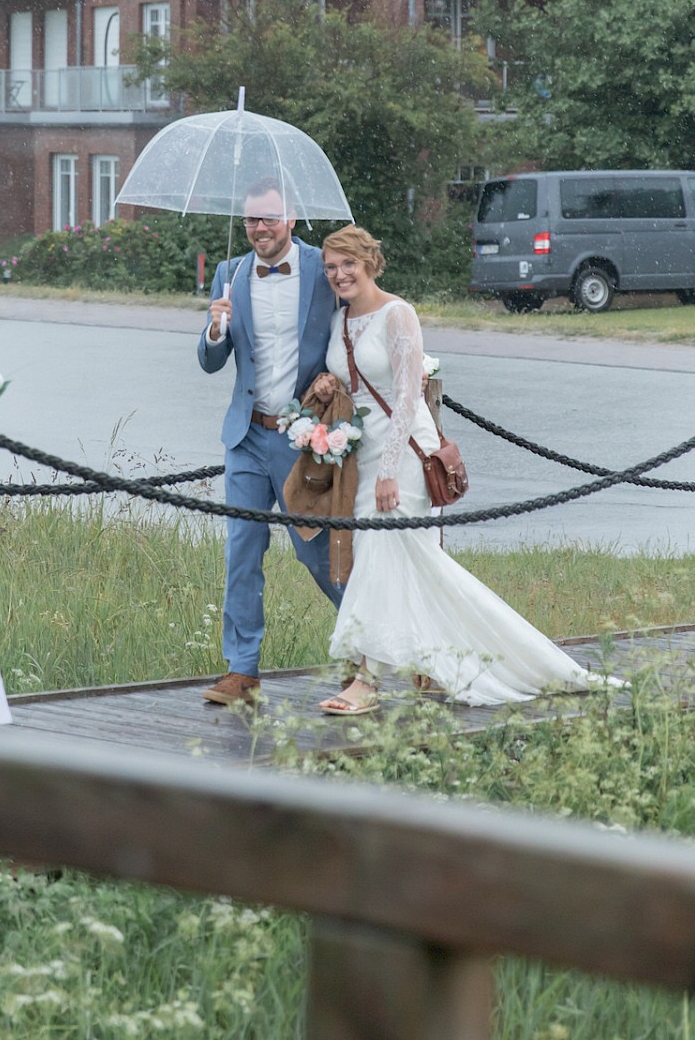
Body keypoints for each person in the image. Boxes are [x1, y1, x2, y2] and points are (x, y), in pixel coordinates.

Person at [315, 225, 609, 714]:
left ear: (369, 262)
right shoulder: (340, 320)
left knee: (380, 558)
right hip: (362, 459)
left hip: (404, 456)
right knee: (415, 569)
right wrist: (328, 381)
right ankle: (461, 660)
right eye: (331, 267)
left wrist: (389, 469)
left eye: (348, 263)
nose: (339, 274)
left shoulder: (398, 313)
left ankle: (365, 680)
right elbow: (354, 383)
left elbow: (409, 395)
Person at [197, 181, 343, 705]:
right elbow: (210, 361)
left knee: (318, 550)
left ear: (292, 219)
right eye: (251, 221)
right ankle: (242, 670)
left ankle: (362, 651)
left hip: (303, 439)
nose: (259, 229)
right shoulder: (230, 273)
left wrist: (334, 380)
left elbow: (352, 335)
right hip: (245, 437)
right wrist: (216, 330)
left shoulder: (324, 271)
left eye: (269, 219)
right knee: (242, 551)